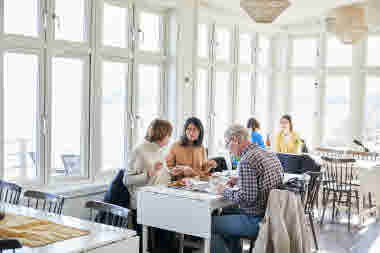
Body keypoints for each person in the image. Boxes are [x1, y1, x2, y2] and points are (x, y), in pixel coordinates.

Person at [211, 124, 284, 253]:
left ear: (235, 140)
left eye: (227, 144)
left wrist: (224, 190)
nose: (228, 149)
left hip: (256, 220)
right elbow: (264, 180)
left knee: (208, 224)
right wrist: (240, 180)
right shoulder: (268, 153)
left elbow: (247, 198)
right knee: (226, 212)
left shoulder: (246, 160)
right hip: (273, 215)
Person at [123, 119, 174, 252]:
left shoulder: (158, 149)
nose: (169, 139)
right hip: (143, 202)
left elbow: (162, 174)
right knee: (167, 231)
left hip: (159, 198)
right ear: (161, 135)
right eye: (169, 135)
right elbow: (127, 180)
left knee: (173, 226)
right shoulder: (139, 150)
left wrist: (175, 172)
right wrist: (147, 175)